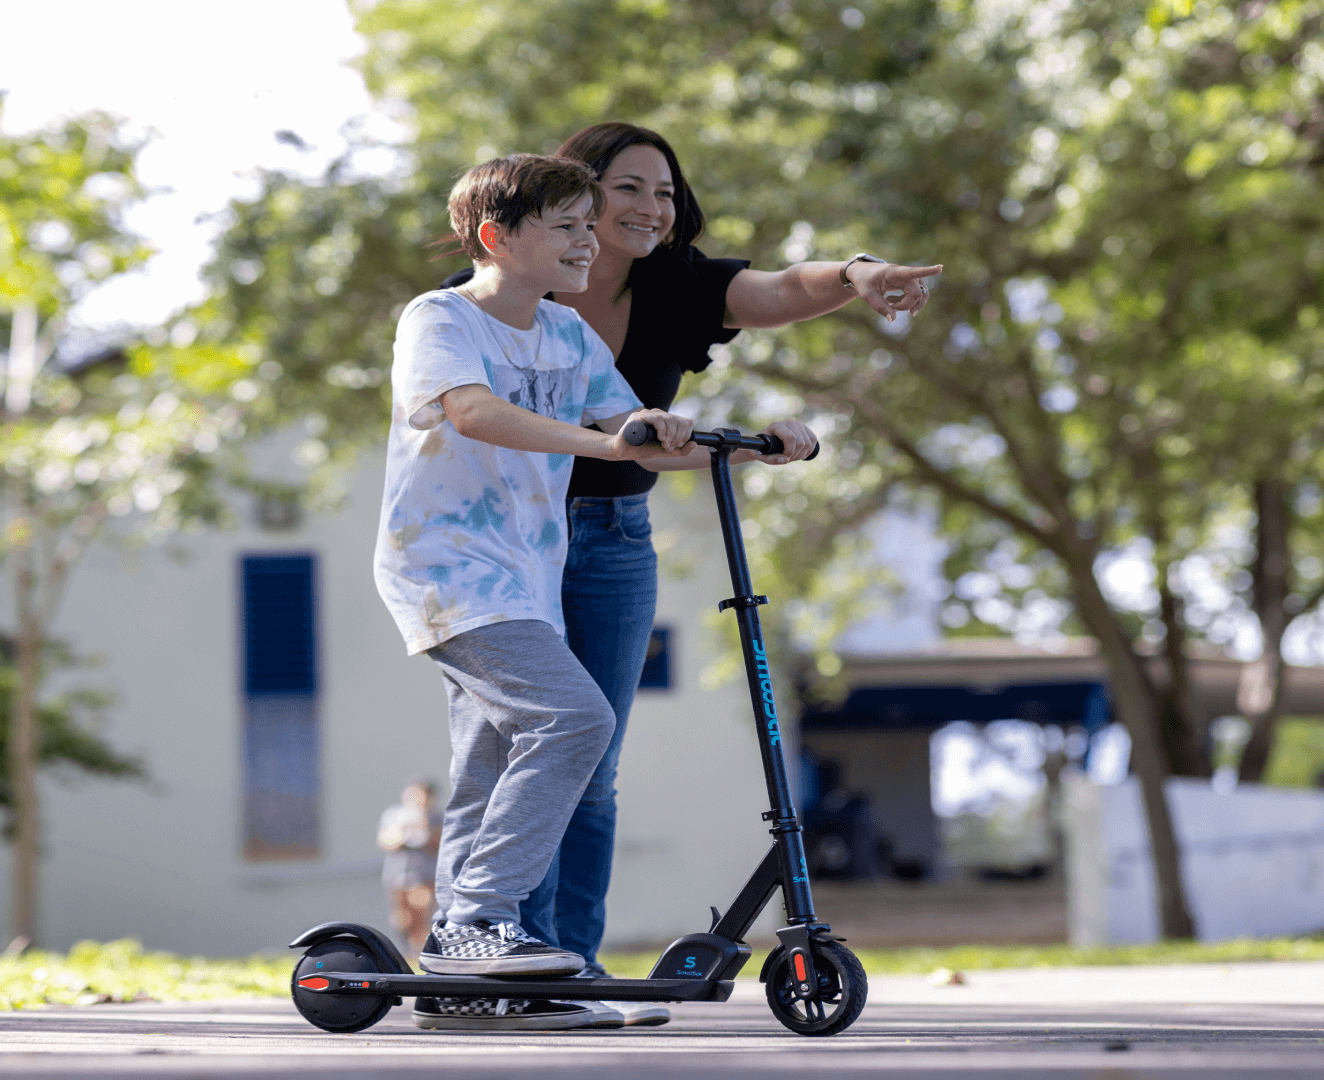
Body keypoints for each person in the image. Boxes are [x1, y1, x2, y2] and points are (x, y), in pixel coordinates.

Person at [445, 122, 941, 1027]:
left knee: (589, 760)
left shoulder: (664, 290)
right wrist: (611, 441)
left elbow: (778, 293)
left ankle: (567, 968)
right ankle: (490, 946)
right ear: (571, 195)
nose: (651, 208)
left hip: (611, 537)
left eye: (666, 193)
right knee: (523, 745)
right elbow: (467, 418)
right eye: (627, 187)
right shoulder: (474, 306)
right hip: (507, 547)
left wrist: (852, 284)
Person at [373, 152, 695, 1031]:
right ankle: (479, 924)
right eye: (567, 226)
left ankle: (476, 990)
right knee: (575, 719)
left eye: (589, 225)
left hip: (526, 578)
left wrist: (757, 443)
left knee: (485, 766)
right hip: (445, 571)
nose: (590, 242)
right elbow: (473, 413)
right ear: (496, 237)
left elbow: (632, 431)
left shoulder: (567, 334)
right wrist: (612, 445)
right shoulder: (440, 318)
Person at [376, 778, 443, 953]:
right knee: (402, 920)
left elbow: (437, 842)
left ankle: (419, 952)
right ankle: (408, 951)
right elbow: (386, 841)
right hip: (397, 876)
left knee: (422, 917)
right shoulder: (394, 815)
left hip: (425, 876)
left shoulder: (437, 817)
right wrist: (404, 836)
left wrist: (423, 824)